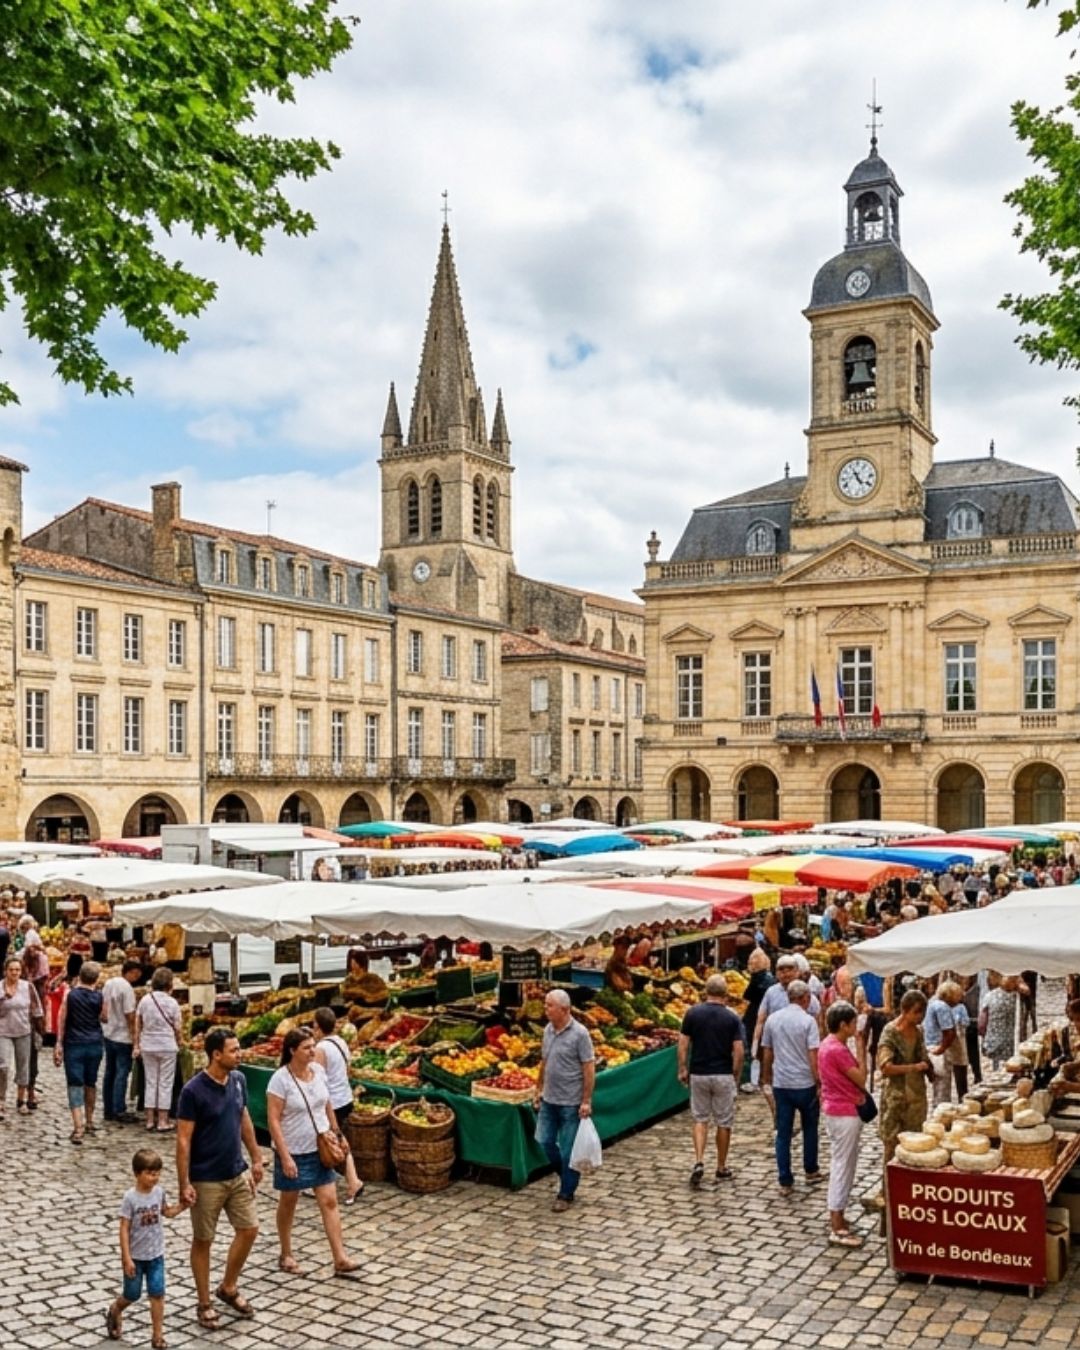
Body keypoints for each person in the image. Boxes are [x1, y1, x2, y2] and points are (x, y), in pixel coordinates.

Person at [176, 1027, 263, 1331]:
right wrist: (184, 1182)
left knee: (249, 1229)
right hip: (206, 1178)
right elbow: (183, 1140)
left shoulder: (238, 1080)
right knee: (204, 1240)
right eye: (234, 1050)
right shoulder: (193, 1091)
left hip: (235, 1171)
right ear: (216, 1054)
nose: (240, 1054)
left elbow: (243, 1117)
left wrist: (255, 1157)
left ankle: (228, 1286)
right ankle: (204, 1302)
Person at [266, 1026, 360, 1276]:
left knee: (329, 1200)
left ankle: (340, 1257)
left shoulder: (318, 1071)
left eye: (313, 1046)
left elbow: (327, 1103)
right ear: (292, 1051)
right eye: (307, 1047)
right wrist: (284, 1155)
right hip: (294, 1149)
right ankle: (286, 1253)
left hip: (321, 1147)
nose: (312, 1051)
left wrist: (337, 1132)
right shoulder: (280, 1079)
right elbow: (273, 1120)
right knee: (289, 1201)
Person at [105, 1148, 188, 1349]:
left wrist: (183, 1206)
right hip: (136, 1256)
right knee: (132, 1294)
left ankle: (157, 1335)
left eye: (157, 1173)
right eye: (150, 1173)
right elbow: (124, 1228)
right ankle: (115, 1309)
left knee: (157, 1293)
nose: (155, 1178)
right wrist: (126, 1257)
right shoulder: (130, 1198)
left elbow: (166, 1212)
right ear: (137, 1173)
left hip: (156, 1255)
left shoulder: (159, 1193)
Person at [677, 974, 745, 1186]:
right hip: (723, 1073)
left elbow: (683, 1043)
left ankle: (698, 1160)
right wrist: (736, 1073)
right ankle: (721, 1166)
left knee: (700, 1118)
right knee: (724, 1121)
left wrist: (682, 1068)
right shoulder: (732, 1018)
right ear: (725, 994)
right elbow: (739, 1051)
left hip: (699, 1073)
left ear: (706, 992)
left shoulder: (692, 1014)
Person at [533, 988, 596, 1213]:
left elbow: (588, 1068)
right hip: (549, 1098)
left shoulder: (580, 1034)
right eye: (546, 1004)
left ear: (564, 1010)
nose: (545, 1009)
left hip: (571, 1101)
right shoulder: (548, 1031)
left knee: (569, 1149)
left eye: (550, 1005)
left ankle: (566, 1193)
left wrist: (586, 1100)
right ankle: (567, 1173)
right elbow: (545, 1061)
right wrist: (538, 1088)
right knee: (544, 1140)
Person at [760, 979, 823, 1196]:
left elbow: (767, 1051)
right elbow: (813, 1054)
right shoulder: (808, 1022)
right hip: (804, 1082)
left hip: (782, 1083)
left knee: (783, 1133)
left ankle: (785, 1179)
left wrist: (766, 1076)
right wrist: (819, 1081)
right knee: (810, 1127)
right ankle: (811, 1169)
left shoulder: (773, 1020)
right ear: (805, 998)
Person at [819, 1001, 869, 1248]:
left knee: (845, 1163)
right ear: (843, 1024)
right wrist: (861, 1048)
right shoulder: (837, 1049)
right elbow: (861, 1078)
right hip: (844, 1112)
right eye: (852, 1022)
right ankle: (836, 1223)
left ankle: (839, 1214)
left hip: (836, 1109)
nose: (855, 1026)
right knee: (842, 1165)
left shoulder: (828, 1045)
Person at [312, 1007, 365, 1204]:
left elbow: (317, 1079)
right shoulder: (341, 1042)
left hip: (331, 1102)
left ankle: (349, 1182)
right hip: (345, 1098)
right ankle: (351, 1181)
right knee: (338, 1139)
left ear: (318, 1027)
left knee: (328, 1142)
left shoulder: (321, 1049)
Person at [877, 989, 932, 1167]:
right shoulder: (890, 1032)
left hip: (916, 1099)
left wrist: (929, 1067)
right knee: (892, 1146)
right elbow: (886, 1067)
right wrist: (913, 1067)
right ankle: (888, 1189)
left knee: (915, 1145)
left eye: (922, 1012)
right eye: (916, 1012)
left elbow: (923, 1056)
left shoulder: (919, 1031)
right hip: (896, 1098)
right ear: (905, 1010)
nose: (920, 1017)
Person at [54, 958, 104, 1144]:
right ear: (95, 979)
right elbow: (104, 1017)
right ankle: (90, 1120)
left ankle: (78, 1126)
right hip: (94, 1044)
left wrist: (59, 1043)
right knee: (90, 1082)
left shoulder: (70, 995)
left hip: (74, 1044)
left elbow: (62, 1019)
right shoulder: (99, 996)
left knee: (75, 1084)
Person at [136, 967, 183, 1132]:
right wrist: (180, 1041)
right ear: (169, 984)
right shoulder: (172, 1003)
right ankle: (163, 1120)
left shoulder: (144, 1000)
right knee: (165, 1083)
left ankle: (149, 1119)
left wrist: (137, 1044)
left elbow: (138, 1024)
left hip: (148, 1044)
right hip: (167, 1046)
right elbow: (177, 1027)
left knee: (150, 1082)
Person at [0, 954, 43, 1119]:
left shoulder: (28, 987)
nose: (15, 973)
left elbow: (36, 1009)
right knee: (3, 1066)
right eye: (11, 970)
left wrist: (40, 1029)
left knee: (23, 1066)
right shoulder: (0, 988)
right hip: (3, 1031)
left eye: (17, 970)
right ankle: (1, 1100)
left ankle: (21, 1099)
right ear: (5, 971)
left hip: (24, 1030)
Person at [102, 959, 143, 1124]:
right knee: (121, 1073)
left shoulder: (109, 983)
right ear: (131, 972)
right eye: (137, 974)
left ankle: (108, 1107)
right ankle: (119, 1108)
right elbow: (130, 1014)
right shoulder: (127, 989)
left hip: (109, 1033)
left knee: (109, 1072)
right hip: (122, 1036)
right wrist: (135, 1037)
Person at [924, 980, 968, 1106]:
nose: (960, 999)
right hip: (937, 1047)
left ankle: (939, 1107)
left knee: (939, 1085)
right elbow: (949, 1032)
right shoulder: (942, 1007)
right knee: (942, 1084)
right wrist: (941, 1049)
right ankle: (941, 1110)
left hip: (933, 1045)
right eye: (958, 995)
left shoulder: (933, 1002)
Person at [740, 947, 775, 1094]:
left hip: (756, 1016)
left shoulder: (758, 978)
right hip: (763, 1015)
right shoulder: (769, 977)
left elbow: (747, 995)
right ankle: (764, 1077)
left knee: (754, 1048)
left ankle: (756, 1079)